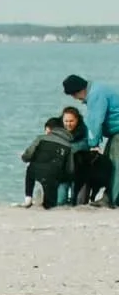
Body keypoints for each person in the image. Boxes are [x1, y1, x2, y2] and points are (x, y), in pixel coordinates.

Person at [62, 75, 118, 208]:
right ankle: (109, 197)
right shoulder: (98, 90)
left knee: (116, 166)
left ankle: (113, 200)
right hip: (115, 133)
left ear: (78, 91)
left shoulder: (95, 95)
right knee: (109, 164)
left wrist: (93, 144)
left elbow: (95, 121)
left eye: (74, 95)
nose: (76, 99)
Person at [21, 116, 78, 209]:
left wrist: (24, 158)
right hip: (54, 175)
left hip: (36, 170)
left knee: (30, 169)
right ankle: (48, 202)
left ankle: (28, 198)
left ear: (49, 129)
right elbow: (70, 169)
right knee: (50, 205)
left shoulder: (41, 138)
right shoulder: (68, 146)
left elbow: (28, 154)